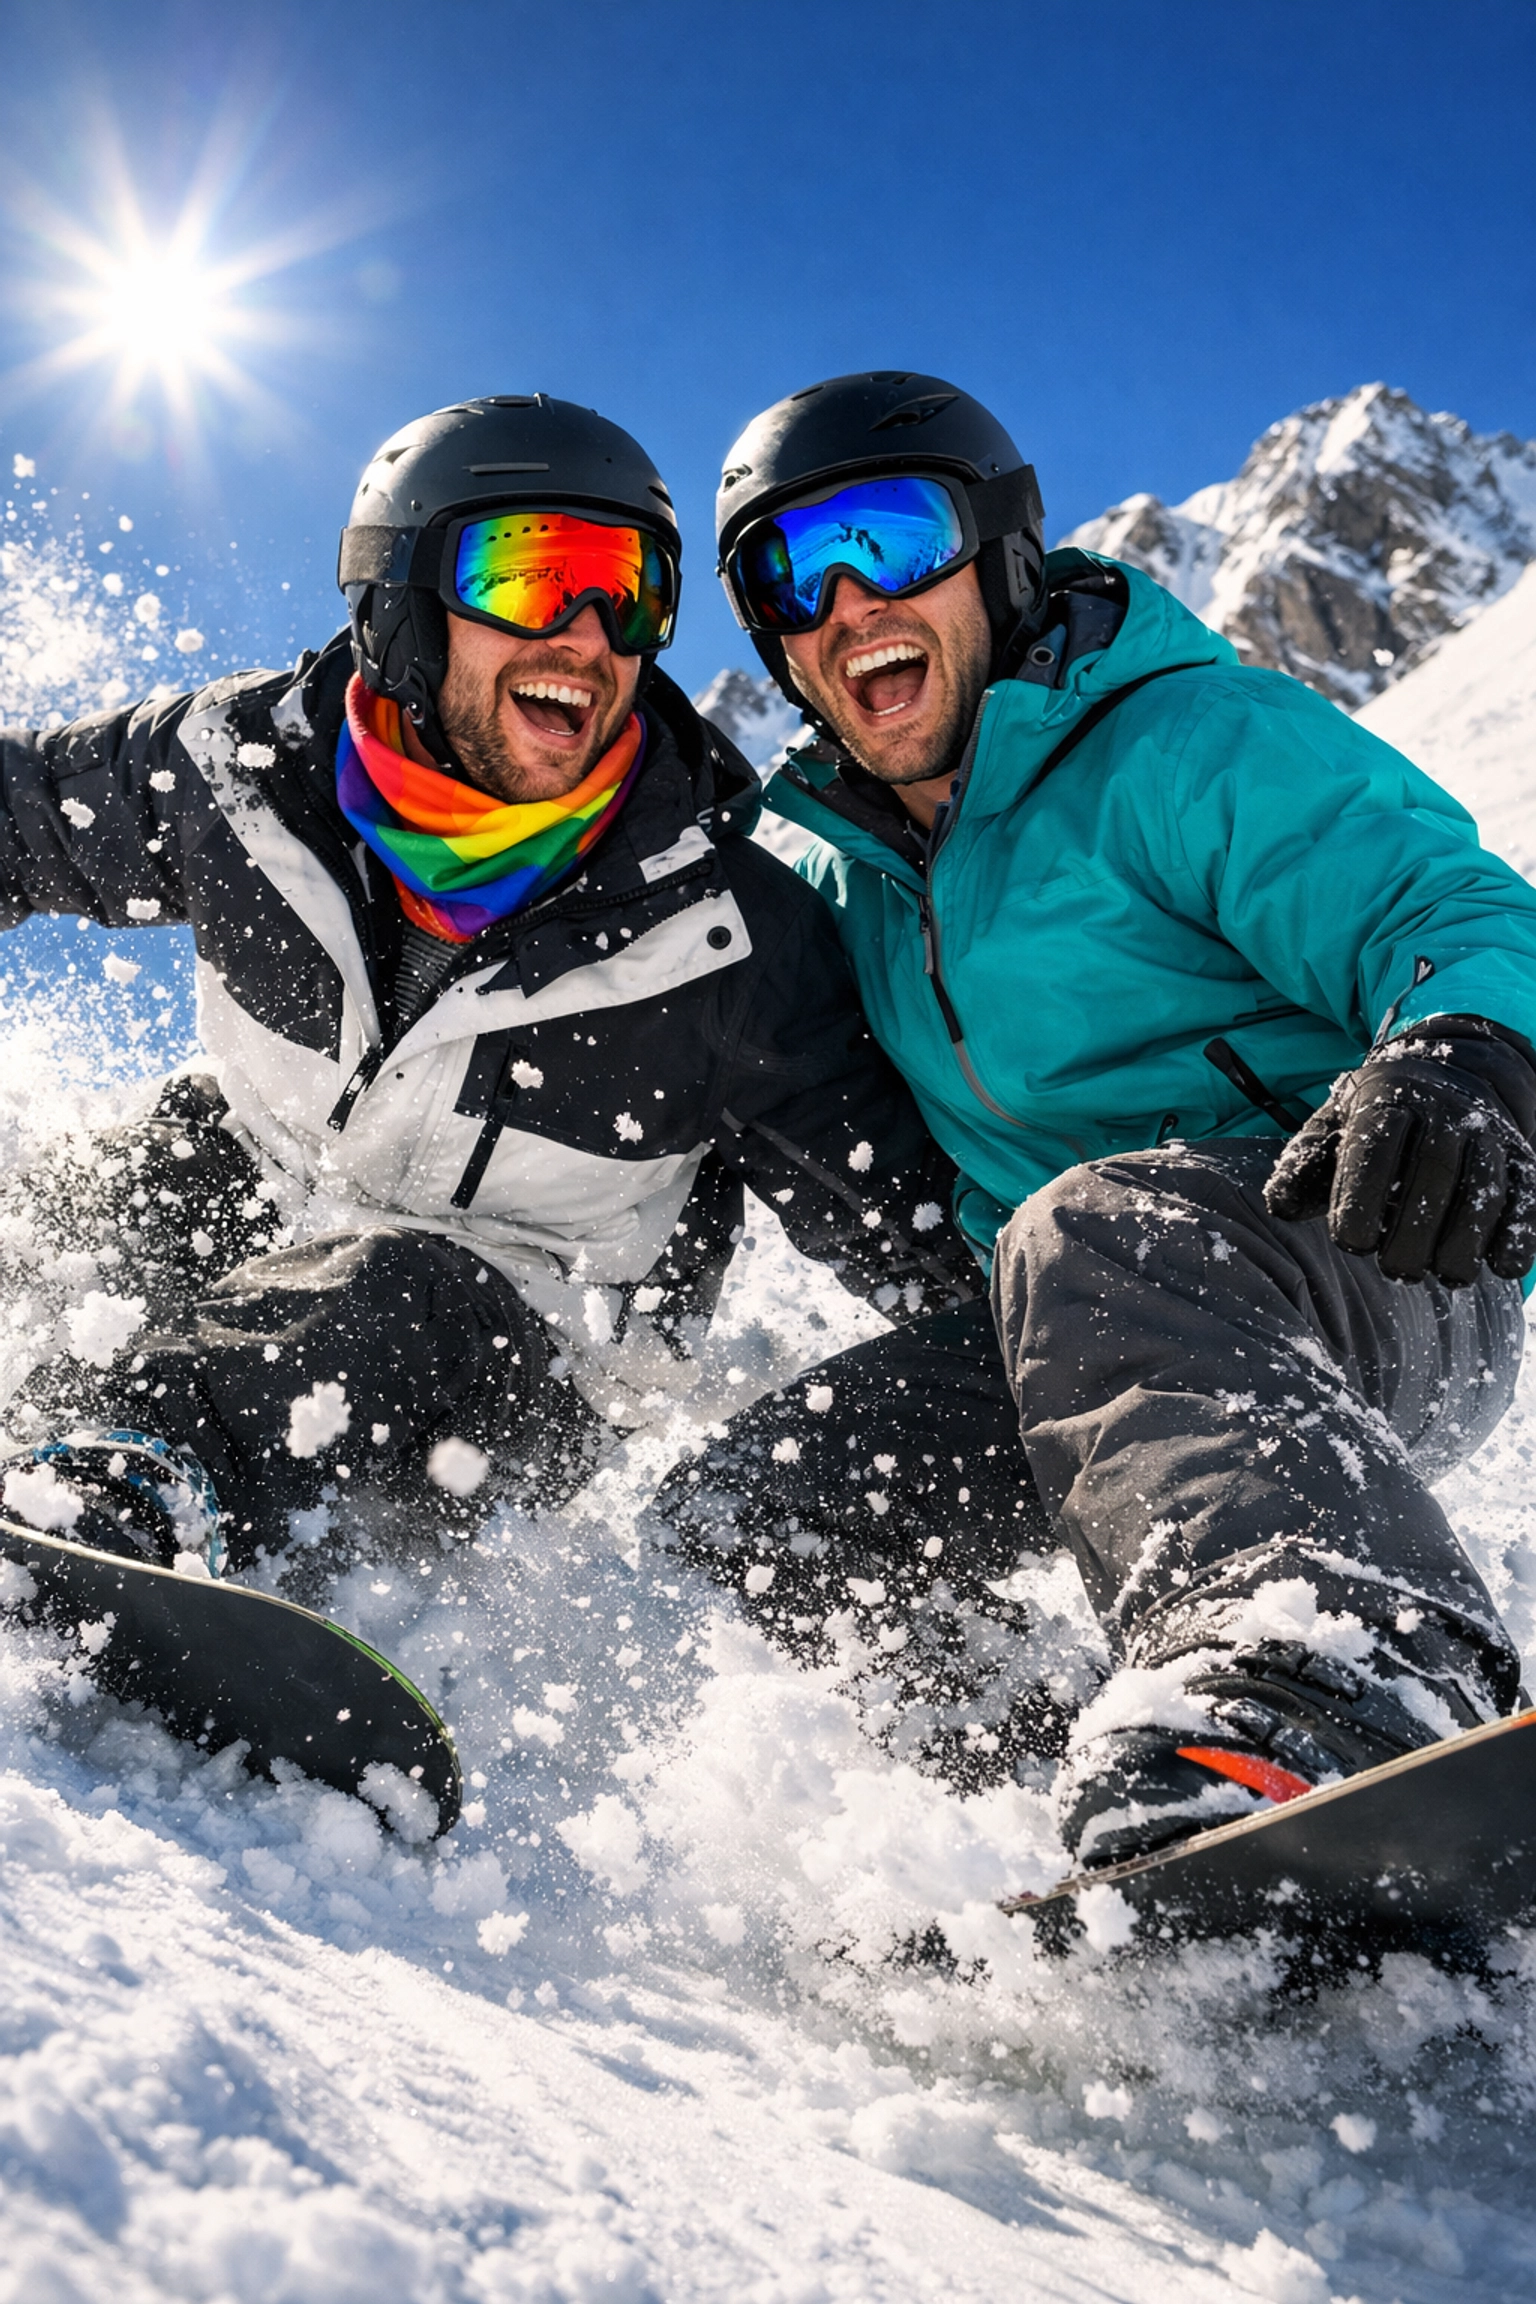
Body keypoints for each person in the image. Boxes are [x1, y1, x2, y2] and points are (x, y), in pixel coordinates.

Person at [654, 367, 1536, 1870]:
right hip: (1092, 1322)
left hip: (1375, 1246)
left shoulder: (1178, 741)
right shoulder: (840, 881)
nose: (851, 602)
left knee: (1095, 1224)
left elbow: (1443, 903)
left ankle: (1352, 1676)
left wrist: (1467, 1056)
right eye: (792, 575)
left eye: (890, 538)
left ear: (999, 551)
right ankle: (1120, 1789)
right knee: (760, 1508)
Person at [0, 393, 972, 1579]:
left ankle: (107, 1508)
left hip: (530, 1387)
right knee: (149, 1168)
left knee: (400, 1279)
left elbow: (929, 1248)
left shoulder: (728, 941)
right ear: (399, 600)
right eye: (529, 578)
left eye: (631, 592)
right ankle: (64, 1431)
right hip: (269, 1247)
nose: (588, 634)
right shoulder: (238, 776)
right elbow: (18, 818)